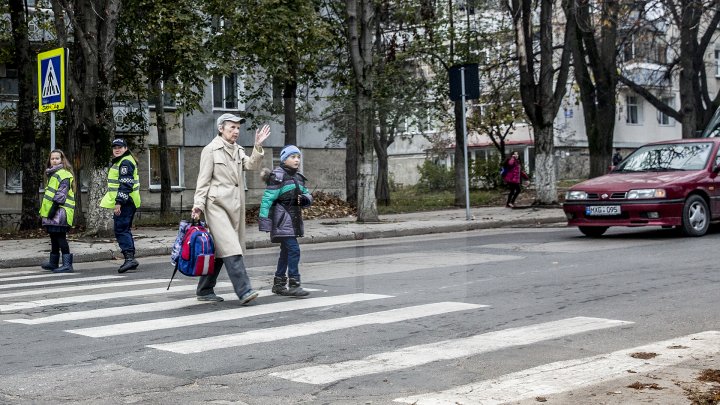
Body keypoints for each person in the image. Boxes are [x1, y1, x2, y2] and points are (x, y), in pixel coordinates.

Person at [191, 113, 270, 304]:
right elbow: (203, 180)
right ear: (221, 128)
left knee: (221, 249)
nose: (236, 131)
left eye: (238, 128)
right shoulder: (210, 150)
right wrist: (198, 205)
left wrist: (258, 146)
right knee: (231, 247)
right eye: (232, 127)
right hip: (216, 206)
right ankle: (244, 290)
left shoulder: (237, 149)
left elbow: (251, 165)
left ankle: (204, 289)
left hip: (234, 207)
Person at [259, 145, 313, 297]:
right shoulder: (278, 176)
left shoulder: (298, 177)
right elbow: (267, 200)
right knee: (294, 250)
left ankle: (279, 284)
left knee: (286, 252)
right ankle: (294, 284)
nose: (296, 160)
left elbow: (308, 195)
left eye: (298, 157)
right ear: (284, 159)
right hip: (282, 221)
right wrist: (264, 221)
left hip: (294, 221)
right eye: (293, 157)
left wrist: (305, 199)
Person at [100, 138, 141, 273]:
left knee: (121, 229)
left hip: (126, 201)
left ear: (125, 148)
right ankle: (130, 259)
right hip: (128, 201)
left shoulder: (125, 162)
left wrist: (119, 203)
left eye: (120, 147)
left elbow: (126, 184)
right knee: (124, 229)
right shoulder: (122, 161)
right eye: (115, 147)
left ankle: (129, 259)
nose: (117, 149)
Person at [39, 149, 77, 273]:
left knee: (60, 237)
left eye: (57, 158)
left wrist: (52, 210)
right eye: (52, 158)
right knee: (53, 237)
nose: (54, 160)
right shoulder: (52, 174)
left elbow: (61, 194)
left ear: (62, 160)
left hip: (61, 211)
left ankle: (67, 265)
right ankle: (53, 263)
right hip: (54, 211)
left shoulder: (63, 174)